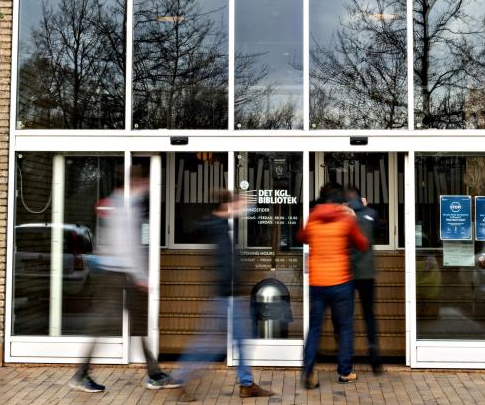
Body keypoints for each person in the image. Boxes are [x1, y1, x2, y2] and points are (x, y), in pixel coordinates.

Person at [69, 165, 181, 393]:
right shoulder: (124, 206)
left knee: (138, 324)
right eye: (145, 182)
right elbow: (128, 245)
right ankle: (81, 374)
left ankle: (154, 373)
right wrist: (141, 276)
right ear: (135, 182)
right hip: (117, 275)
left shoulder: (118, 203)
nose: (147, 187)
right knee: (103, 325)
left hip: (119, 274)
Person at [175, 190, 275, 402]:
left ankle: (247, 384)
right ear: (229, 205)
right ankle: (181, 378)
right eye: (240, 204)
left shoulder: (224, 226)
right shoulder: (218, 227)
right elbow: (225, 264)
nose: (243, 208)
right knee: (209, 343)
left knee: (240, 339)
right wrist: (237, 280)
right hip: (226, 296)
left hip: (231, 295)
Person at [298, 186, 369, 389]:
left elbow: (301, 237)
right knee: (345, 328)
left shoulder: (313, 217)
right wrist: (353, 217)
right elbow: (362, 244)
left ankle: (309, 369)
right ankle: (345, 372)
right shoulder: (346, 219)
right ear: (340, 202)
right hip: (340, 282)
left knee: (315, 328)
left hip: (317, 283)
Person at [345, 186, 383, 374]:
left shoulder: (344, 215)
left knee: (346, 317)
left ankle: (346, 358)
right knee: (369, 314)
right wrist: (366, 208)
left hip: (348, 274)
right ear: (361, 197)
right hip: (367, 273)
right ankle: (374, 356)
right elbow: (379, 232)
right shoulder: (372, 213)